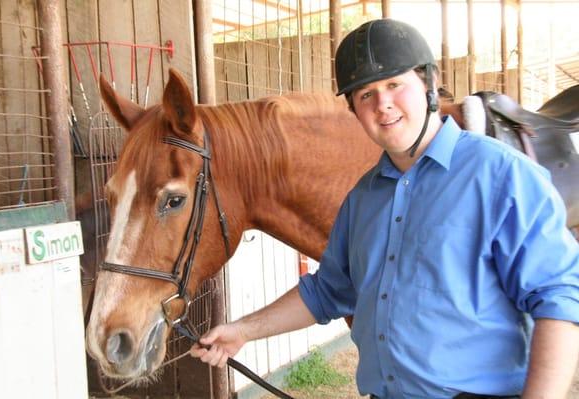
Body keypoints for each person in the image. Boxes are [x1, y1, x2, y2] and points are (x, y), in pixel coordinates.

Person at [190, 19, 579, 398]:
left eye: (395, 84)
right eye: (365, 95)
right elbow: (328, 292)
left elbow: (558, 299)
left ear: (427, 83)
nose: (383, 105)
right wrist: (243, 329)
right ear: (354, 110)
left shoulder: (502, 175)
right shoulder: (363, 198)